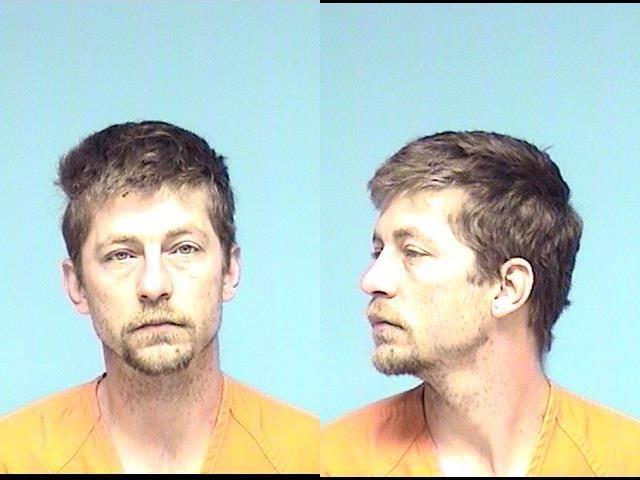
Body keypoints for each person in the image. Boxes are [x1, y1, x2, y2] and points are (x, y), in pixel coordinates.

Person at [0, 121, 318, 474]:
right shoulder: (12, 459)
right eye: (121, 255)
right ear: (77, 285)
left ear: (229, 270)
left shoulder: (307, 457)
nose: (153, 285)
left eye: (184, 248)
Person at [321, 131, 640, 476]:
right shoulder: (334, 460)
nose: (371, 281)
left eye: (413, 252)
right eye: (378, 251)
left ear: (507, 288)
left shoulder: (625, 462)